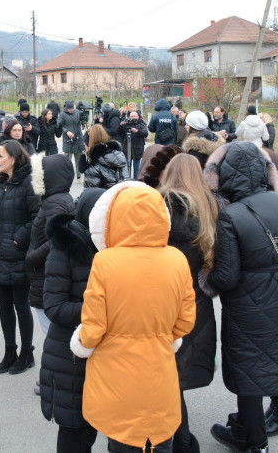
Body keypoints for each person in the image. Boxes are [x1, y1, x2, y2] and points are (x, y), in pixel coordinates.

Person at [71, 182, 196, 453]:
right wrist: (163, 337)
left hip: (117, 378)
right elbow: (186, 320)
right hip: (160, 373)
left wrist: (80, 343)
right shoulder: (177, 259)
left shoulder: (105, 262)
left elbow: (93, 327)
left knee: (122, 440)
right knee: (161, 441)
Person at [205, 142, 278, 453]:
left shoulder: (232, 216)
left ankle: (254, 442)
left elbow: (227, 276)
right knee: (277, 360)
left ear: (226, 175)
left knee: (248, 377)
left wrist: (204, 280)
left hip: (245, 311)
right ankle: (274, 418)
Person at [158, 154, 219, 453]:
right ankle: (181, 439)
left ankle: (180, 440)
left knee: (163, 373)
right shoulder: (209, 207)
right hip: (196, 302)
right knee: (178, 373)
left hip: (162, 300)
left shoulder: (158, 206)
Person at [39, 187, 105, 453]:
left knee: (91, 425)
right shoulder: (64, 249)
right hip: (68, 358)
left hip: (98, 354)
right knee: (74, 431)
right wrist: (100, 310)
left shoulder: (107, 247)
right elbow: (54, 307)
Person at [0, 140, 40, 376]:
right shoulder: (0, 183)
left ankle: (27, 353)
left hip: (17, 253)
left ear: (14, 158)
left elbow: (38, 217)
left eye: (0, 156)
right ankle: (10, 351)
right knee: (4, 305)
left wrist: (18, 238)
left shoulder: (29, 183)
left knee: (21, 305)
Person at [26, 153, 75, 342]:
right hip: (47, 274)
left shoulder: (54, 203)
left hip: (46, 276)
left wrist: (31, 257)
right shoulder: (59, 199)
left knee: (54, 336)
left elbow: (57, 239)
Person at [79, 124, 128, 189]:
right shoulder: (119, 156)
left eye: (85, 143)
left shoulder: (94, 167)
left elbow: (90, 195)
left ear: (89, 144)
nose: (83, 145)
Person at [56, 100, 84, 180]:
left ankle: (79, 176)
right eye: (69, 109)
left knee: (78, 158)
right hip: (68, 139)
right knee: (67, 159)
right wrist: (66, 131)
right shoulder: (61, 114)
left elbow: (79, 123)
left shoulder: (77, 112)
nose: (71, 110)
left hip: (78, 138)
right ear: (66, 108)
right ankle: (65, 176)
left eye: (72, 108)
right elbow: (59, 125)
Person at [118, 110, 148, 178]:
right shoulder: (126, 124)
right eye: (131, 116)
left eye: (134, 116)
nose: (133, 117)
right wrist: (121, 125)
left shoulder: (141, 124)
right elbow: (119, 133)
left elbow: (145, 134)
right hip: (127, 149)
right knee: (127, 166)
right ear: (129, 117)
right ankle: (127, 180)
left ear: (138, 116)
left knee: (137, 167)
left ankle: (136, 181)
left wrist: (137, 131)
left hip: (138, 149)